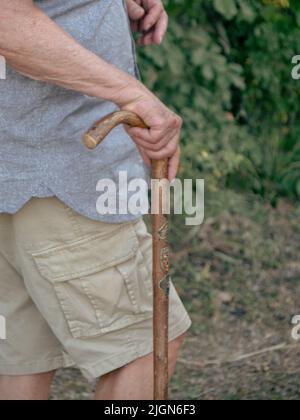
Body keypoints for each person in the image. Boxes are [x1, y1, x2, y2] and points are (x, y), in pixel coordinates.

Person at [0, 0, 191, 400]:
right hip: (60, 177)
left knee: (23, 364)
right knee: (146, 348)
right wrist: (130, 93)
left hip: (19, 175)